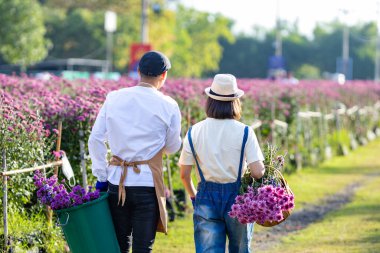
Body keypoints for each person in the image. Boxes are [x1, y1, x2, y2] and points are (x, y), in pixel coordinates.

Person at [88, 51, 182, 253]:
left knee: (119, 245)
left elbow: (95, 139)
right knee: (143, 247)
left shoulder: (114, 98)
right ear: (163, 76)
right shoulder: (169, 105)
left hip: (116, 180)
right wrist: (154, 151)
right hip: (147, 182)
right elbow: (174, 146)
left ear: (138, 72)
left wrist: (101, 176)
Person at [179, 74, 266, 253]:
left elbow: (184, 174)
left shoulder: (194, 131)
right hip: (238, 198)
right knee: (241, 249)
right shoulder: (245, 132)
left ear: (210, 101)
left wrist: (194, 196)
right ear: (235, 102)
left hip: (205, 197)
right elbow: (257, 172)